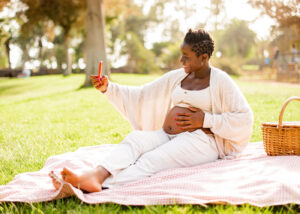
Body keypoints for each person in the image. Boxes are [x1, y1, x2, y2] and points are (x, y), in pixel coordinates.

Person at [49, 29, 253, 193]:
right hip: (168, 135)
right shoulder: (179, 76)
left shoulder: (221, 81)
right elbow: (144, 94)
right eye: (181, 56)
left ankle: (103, 185)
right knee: (136, 140)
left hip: (202, 142)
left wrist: (205, 119)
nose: (182, 62)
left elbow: (244, 118)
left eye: (187, 57)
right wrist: (108, 88)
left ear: (203, 57)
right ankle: (96, 175)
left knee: (150, 160)